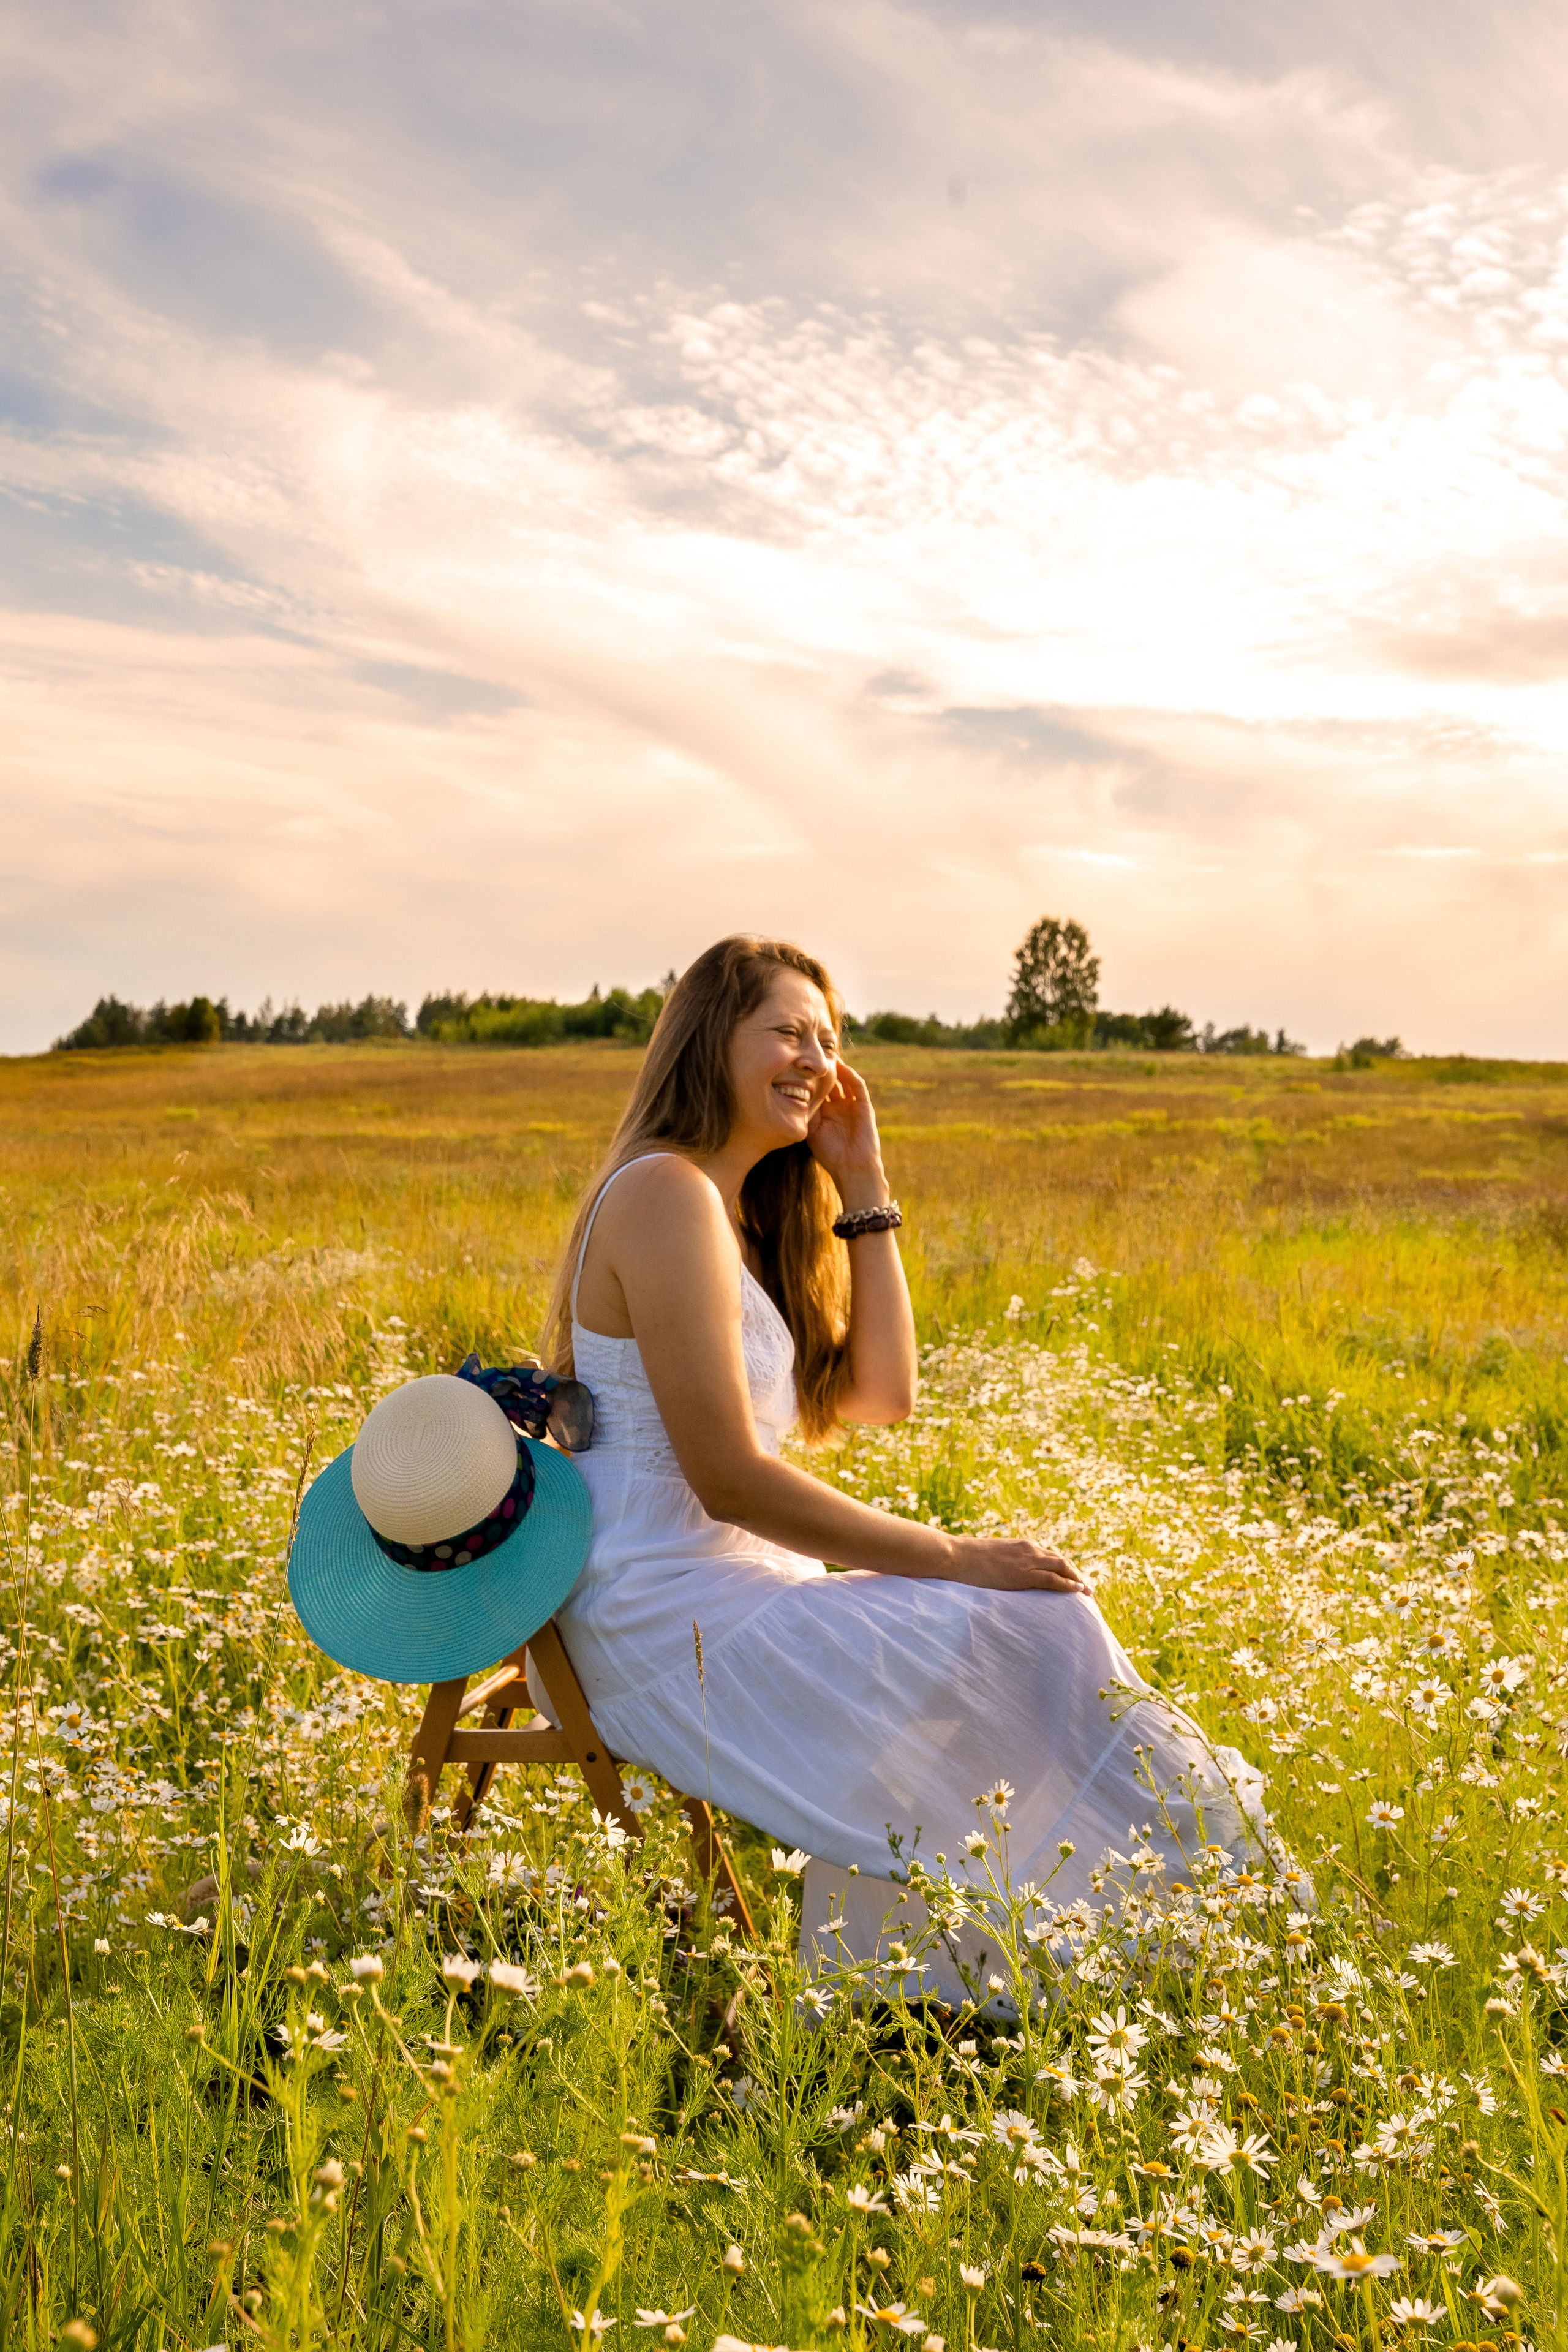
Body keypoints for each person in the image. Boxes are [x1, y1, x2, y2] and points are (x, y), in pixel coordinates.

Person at [535, 933, 1268, 2004]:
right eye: (788, 1031)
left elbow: (882, 1394)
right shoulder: (665, 1194)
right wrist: (957, 1557)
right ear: (711, 1040)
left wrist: (864, 1181)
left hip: (727, 1596)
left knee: (1039, 1621)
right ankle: (1035, 1956)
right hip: (653, 1615)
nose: (816, 1059)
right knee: (1028, 1622)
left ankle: (1019, 1955)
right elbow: (729, 1479)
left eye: (829, 1040)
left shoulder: (739, 1215)